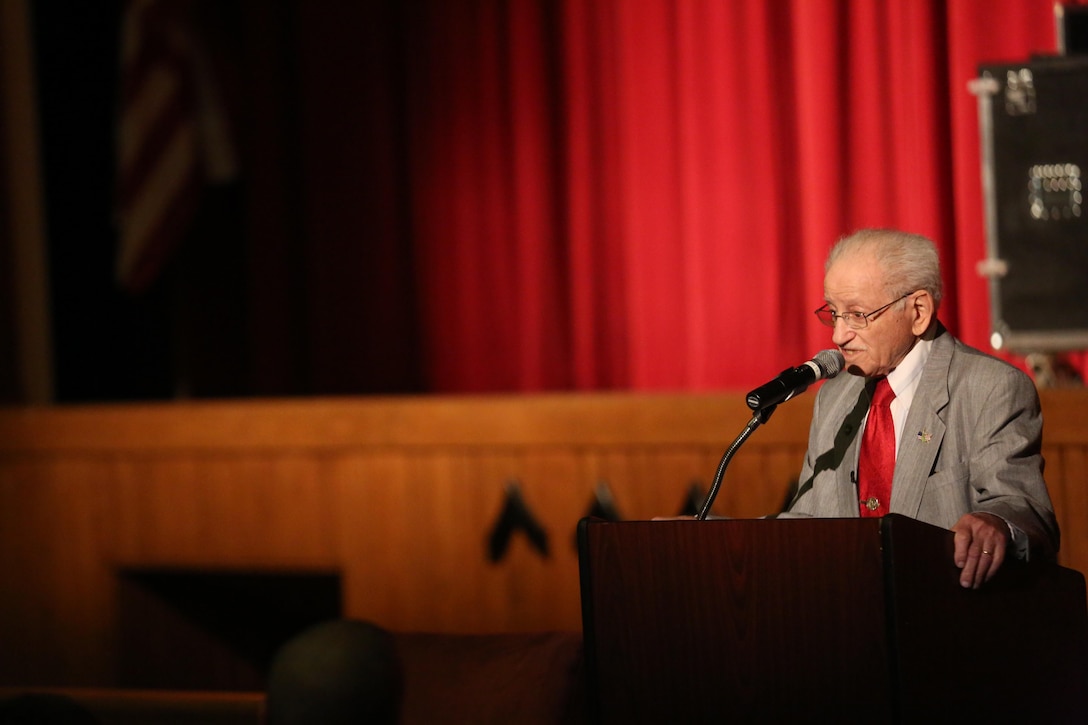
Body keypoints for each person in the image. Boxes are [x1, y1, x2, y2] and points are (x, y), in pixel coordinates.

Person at [784, 228, 1059, 589]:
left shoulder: (990, 388)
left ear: (918, 311)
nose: (838, 335)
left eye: (857, 315)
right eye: (833, 313)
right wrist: (712, 532)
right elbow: (807, 520)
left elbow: (1025, 509)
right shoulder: (835, 397)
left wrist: (995, 523)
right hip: (849, 621)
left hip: (949, 620)